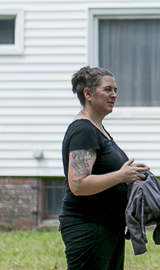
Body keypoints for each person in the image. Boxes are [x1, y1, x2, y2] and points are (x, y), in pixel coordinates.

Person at [61, 67, 148, 270]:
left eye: (115, 90)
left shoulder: (97, 129)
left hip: (108, 227)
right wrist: (121, 176)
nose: (114, 95)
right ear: (88, 94)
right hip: (89, 228)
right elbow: (78, 184)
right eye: (107, 89)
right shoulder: (84, 130)